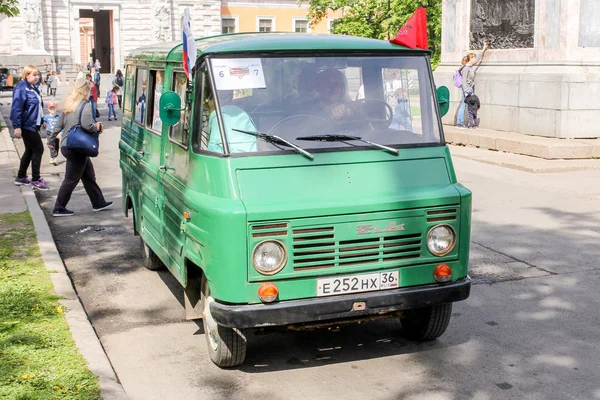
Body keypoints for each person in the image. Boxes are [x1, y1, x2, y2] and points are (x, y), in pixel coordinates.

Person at [47, 78, 112, 217]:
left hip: (68, 145)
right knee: (71, 179)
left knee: (88, 175)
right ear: (86, 90)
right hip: (77, 147)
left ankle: (98, 202)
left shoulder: (69, 105)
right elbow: (87, 125)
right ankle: (59, 207)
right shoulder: (85, 105)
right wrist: (98, 127)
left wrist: (52, 140)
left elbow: (58, 126)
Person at [9, 64, 48, 190]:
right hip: (27, 125)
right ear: (26, 75)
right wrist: (17, 126)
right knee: (38, 149)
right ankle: (36, 179)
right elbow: (17, 108)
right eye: (34, 75)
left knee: (30, 150)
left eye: (38, 75)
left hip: (33, 124)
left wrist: (42, 120)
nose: (37, 77)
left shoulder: (33, 87)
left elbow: (37, 106)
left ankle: (21, 177)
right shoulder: (21, 88)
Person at [456, 40, 488, 128]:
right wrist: (466, 90)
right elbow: (463, 80)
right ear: (470, 60)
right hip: (467, 89)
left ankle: (471, 123)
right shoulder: (466, 68)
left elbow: (478, 59)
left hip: (469, 89)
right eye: (473, 58)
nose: (475, 60)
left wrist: (483, 49)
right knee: (463, 104)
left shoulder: (470, 67)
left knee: (468, 105)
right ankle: (459, 123)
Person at [43, 101, 61, 165]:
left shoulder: (59, 117)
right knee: (51, 144)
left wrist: (60, 133)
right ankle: (52, 157)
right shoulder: (46, 117)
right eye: (51, 108)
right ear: (48, 109)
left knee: (56, 145)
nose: (52, 110)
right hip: (49, 132)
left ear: (56, 109)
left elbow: (61, 126)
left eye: (54, 108)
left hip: (56, 133)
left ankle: (55, 157)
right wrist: (44, 126)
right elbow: (44, 123)